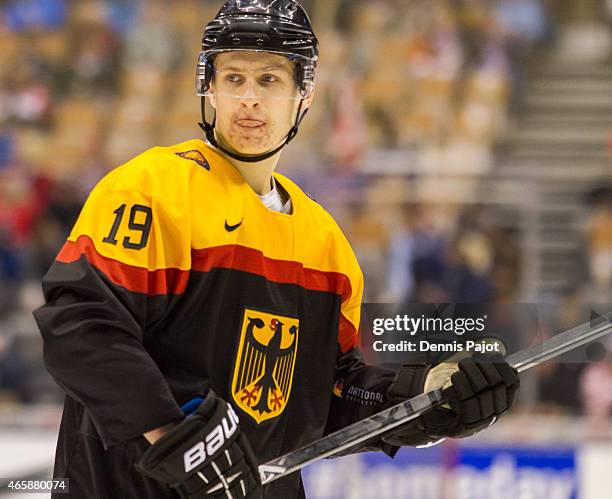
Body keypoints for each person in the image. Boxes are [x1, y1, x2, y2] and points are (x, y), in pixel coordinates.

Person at [33, 1, 520, 498]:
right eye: (234, 79)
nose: (249, 99)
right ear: (210, 88)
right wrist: (174, 436)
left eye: (269, 80)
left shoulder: (324, 245)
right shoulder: (150, 189)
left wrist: (428, 397)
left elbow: (324, 396)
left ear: (303, 95)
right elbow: (82, 330)